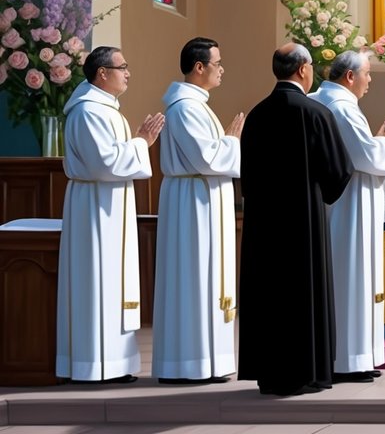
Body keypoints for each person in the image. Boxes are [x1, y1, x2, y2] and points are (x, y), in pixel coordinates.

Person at [238, 44, 353, 396]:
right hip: (304, 220)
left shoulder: (256, 115)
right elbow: (339, 170)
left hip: (264, 223)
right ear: (303, 69)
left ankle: (270, 374)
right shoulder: (315, 113)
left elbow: (247, 173)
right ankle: (308, 373)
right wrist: (320, 192)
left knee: (269, 292)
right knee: (304, 290)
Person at [57, 46, 164, 383]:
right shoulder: (89, 111)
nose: (128, 73)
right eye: (123, 67)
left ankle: (114, 364)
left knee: (112, 282)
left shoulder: (104, 109)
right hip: (95, 209)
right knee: (98, 281)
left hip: (109, 204)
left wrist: (137, 143)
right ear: (102, 73)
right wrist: (141, 143)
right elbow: (104, 163)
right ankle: (94, 365)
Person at [310, 51, 385, 383]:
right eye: (367, 73)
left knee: (347, 276)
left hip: (339, 202)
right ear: (350, 76)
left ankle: (350, 356)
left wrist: (375, 141)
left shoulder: (326, 101)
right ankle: (349, 360)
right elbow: (366, 156)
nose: (370, 80)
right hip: (348, 205)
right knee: (351, 276)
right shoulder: (341, 107)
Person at [154, 38, 245, 385]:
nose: (222, 69)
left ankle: (209, 360)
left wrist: (226, 141)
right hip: (192, 204)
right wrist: (232, 141)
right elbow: (206, 158)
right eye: (218, 63)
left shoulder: (196, 104)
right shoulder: (185, 107)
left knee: (206, 279)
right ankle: (188, 362)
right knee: (194, 278)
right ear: (199, 67)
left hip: (201, 196)